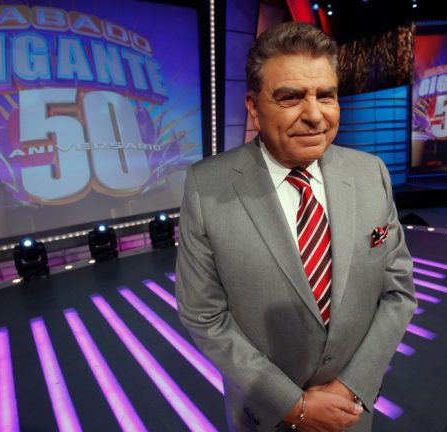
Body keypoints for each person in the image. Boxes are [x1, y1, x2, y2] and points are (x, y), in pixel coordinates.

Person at [175, 22, 417, 432]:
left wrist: (351, 386)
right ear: (254, 108)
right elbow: (204, 316)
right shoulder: (206, 186)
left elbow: (399, 293)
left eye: (326, 95)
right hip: (265, 417)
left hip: (350, 413)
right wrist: (292, 404)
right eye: (290, 97)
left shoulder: (370, 172)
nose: (314, 115)